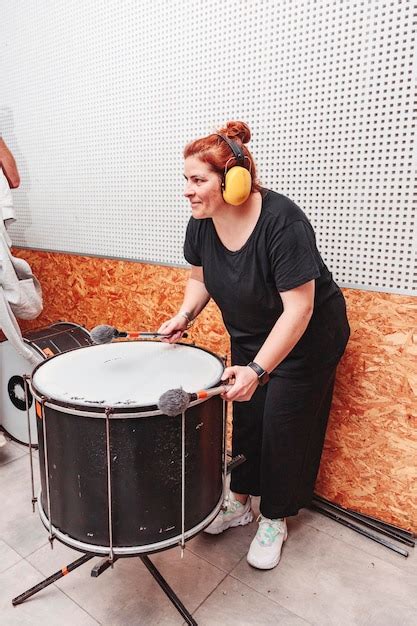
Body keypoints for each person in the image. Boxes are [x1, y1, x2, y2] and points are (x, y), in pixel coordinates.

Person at [158, 121, 350, 570]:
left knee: (283, 426)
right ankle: (239, 500)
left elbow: (299, 311)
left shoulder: (283, 222)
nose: (188, 190)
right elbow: (201, 276)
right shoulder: (202, 222)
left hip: (307, 340)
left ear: (234, 182)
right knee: (246, 416)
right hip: (250, 335)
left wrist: (260, 370)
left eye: (198, 180)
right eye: (186, 179)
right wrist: (184, 316)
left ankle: (274, 517)